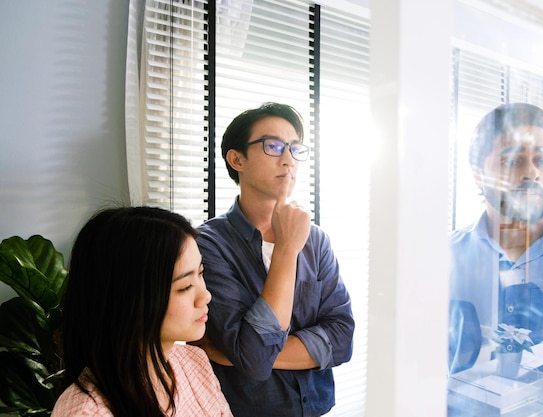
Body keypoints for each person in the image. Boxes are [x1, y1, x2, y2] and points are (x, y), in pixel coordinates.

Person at [192, 102, 355, 417]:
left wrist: (241, 352)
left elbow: (342, 337)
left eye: (294, 148)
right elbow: (252, 359)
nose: (288, 159)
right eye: (273, 146)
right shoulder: (208, 245)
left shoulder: (316, 239)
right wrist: (287, 250)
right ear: (237, 159)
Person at [448, 103, 543, 373]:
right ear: (479, 175)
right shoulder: (444, 257)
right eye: (513, 161)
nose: (532, 173)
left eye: (542, 161)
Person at [51, 206, 233, 417]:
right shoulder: (87, 412)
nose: (205, 296)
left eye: (201, 273)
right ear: (129, 300)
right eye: (184, 287)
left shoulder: (193, 362)